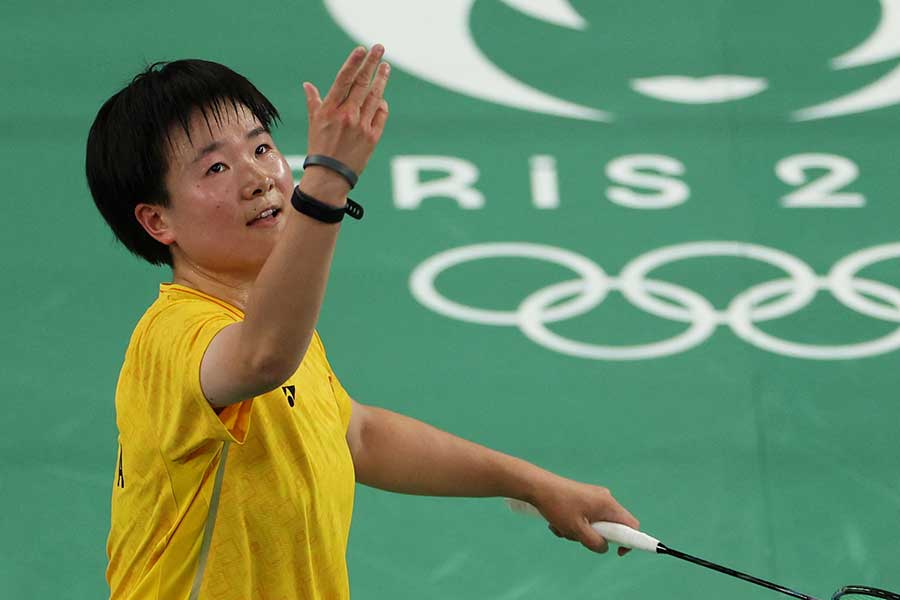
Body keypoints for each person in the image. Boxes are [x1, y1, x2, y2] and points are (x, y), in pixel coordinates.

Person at [86, 44, 640, 599]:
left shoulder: (267, 317)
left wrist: (536, 485)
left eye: (261, 146)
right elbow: (263, 357)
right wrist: (326, 183)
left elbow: (358, 435)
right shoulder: (173, 338)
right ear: (157, 220)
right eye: (215, 167)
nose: (258, 177)